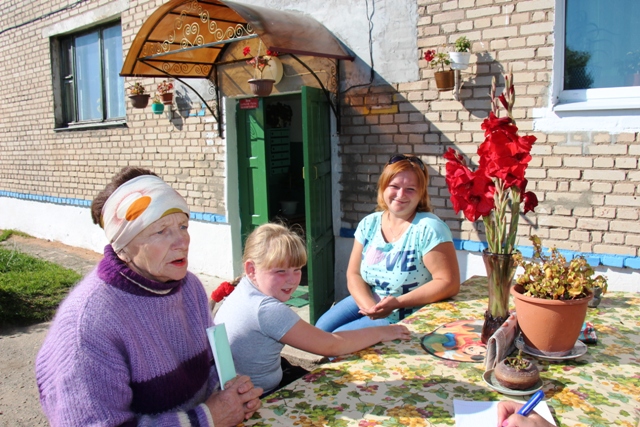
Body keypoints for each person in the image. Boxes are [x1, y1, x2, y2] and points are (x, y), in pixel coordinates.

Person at [35, 166, 262, 427]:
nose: (182, 242)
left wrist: (231, 392)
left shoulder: (189, 288)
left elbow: (211, 366)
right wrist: (207, 418)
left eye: (183, 226)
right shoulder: (87, 325)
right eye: (161, 231)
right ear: (123, 247)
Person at [213, 223, 411, 395]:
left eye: (297, 269)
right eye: (280, 271)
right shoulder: (265, 310)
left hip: (244, 384)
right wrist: (384, 331)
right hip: (261, 396)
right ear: (251, 269)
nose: (292, 280)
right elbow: (330, 345)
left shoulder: (242, 289)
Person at [316, 154, 460, 332]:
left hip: (408, 312)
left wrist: (397, 303)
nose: (400, 195)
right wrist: (371, 308)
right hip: (373, 300)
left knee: (338, 339)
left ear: (421, 193)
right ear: (383, 188)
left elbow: (448, 283)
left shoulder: (429, 228)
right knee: (320, 330)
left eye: (410, 189)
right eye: (394, 186)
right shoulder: (370, 223)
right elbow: (354, 274)